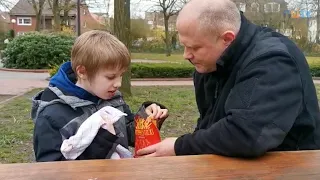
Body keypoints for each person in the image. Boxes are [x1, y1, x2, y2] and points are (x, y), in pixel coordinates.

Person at [136, 0, 320, 158]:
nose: (186, 55)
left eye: (194, 47)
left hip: (289, 167)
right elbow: (209, 124)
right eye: (184, 46)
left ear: (227, 38)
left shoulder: (272, 61)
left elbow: (246, 134)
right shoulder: (211, 64)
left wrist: (179, 147)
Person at [31, 30, 169, 162]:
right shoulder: (52, 114)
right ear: (82, 72)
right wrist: (103, 141)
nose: (118, 83)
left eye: (121, 75)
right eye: (111, 77)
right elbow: (51, 167)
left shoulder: (113, 99)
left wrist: (148, 117)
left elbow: (129, 135)